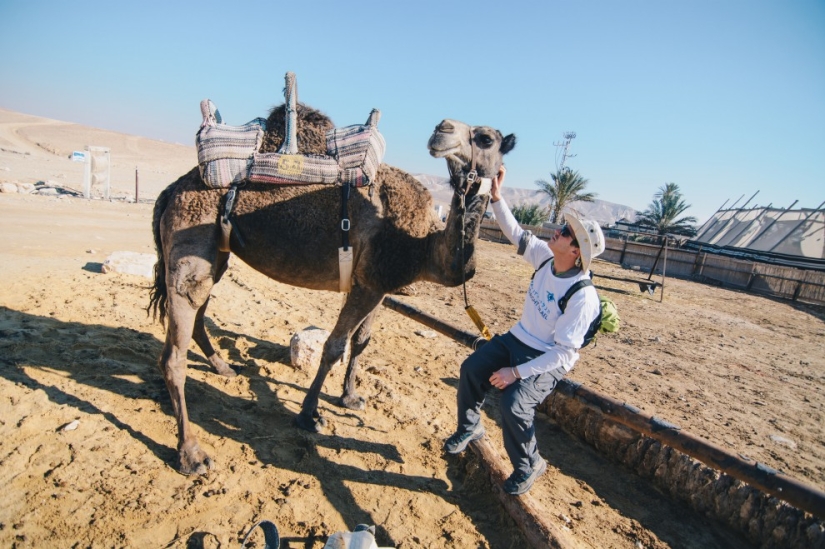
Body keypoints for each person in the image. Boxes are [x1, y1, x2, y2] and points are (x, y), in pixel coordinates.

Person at [444, 165, 605, 495]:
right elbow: (515, 232)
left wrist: (515, 373)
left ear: (576, 252)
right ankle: (470, 427)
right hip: (519, 338)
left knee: (514, 404)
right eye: (563, 227)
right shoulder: (546, 259)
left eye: (566, 232)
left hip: (548, 356)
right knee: (471, 369)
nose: (558, 231)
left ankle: (529, 464)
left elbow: (563, 353)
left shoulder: (582, 296)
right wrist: (497, 197)